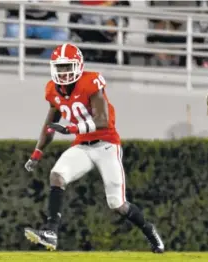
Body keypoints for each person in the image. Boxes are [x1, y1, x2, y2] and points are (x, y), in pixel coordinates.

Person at [23, 43, 164, 253]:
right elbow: (50, 125)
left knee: (118, 204)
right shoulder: (52, 90)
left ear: (78, 65)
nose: (63, 72)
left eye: (67, 66)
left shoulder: (91, 82)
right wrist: (37, 152)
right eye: (59, 67)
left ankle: (150, 231)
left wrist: (71, 128)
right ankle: (51, 232)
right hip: (83, 145)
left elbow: (103, 120)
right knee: (57, 175)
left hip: (106, 144)